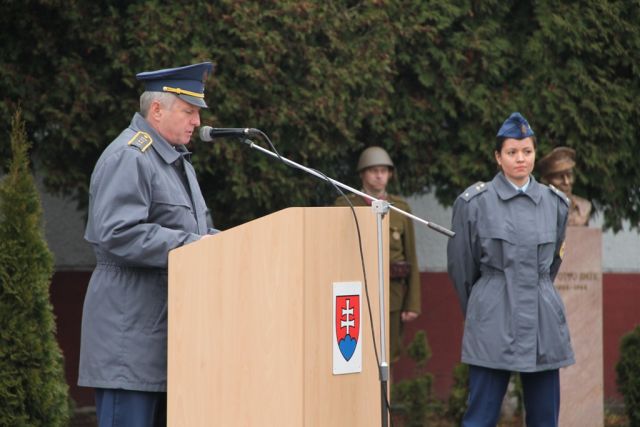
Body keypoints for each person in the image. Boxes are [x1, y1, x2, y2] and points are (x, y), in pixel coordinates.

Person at [78, 62, 217, 426]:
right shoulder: (130, 156)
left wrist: (234, 244)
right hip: (129, 342)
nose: (197, 122)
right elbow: (117, 232)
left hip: (166, 341)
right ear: (157, 109)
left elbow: (198, 231)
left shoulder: (175, 162)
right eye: (188, 111)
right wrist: (193, 245)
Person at [446, 112, 574, 427]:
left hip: (542, 318)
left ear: (535, 154)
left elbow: (551, 265)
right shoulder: (474, 203)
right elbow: (462, 268)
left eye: (527, 151)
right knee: (480, 417)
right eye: (512, 152)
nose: (520, 158)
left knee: (545, 418)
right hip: (493, 315)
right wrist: (482, 307)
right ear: (498, 157)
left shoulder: (555, 204)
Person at [335, 146, 421, 363]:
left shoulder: (400, 208)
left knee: (388, 354)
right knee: (355, 354)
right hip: (354, 292)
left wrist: (412, 303)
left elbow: (411, 255)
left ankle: (385, 387)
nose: (379, 176)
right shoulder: (344, 204)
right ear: (362, 174)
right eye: (373, 171)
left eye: (384, 171)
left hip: (391, 294)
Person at [537, 146, 592, 226]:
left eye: (569, 175)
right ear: (546, 180)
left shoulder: (584, 207)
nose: (566, 182)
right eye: (559, 177)